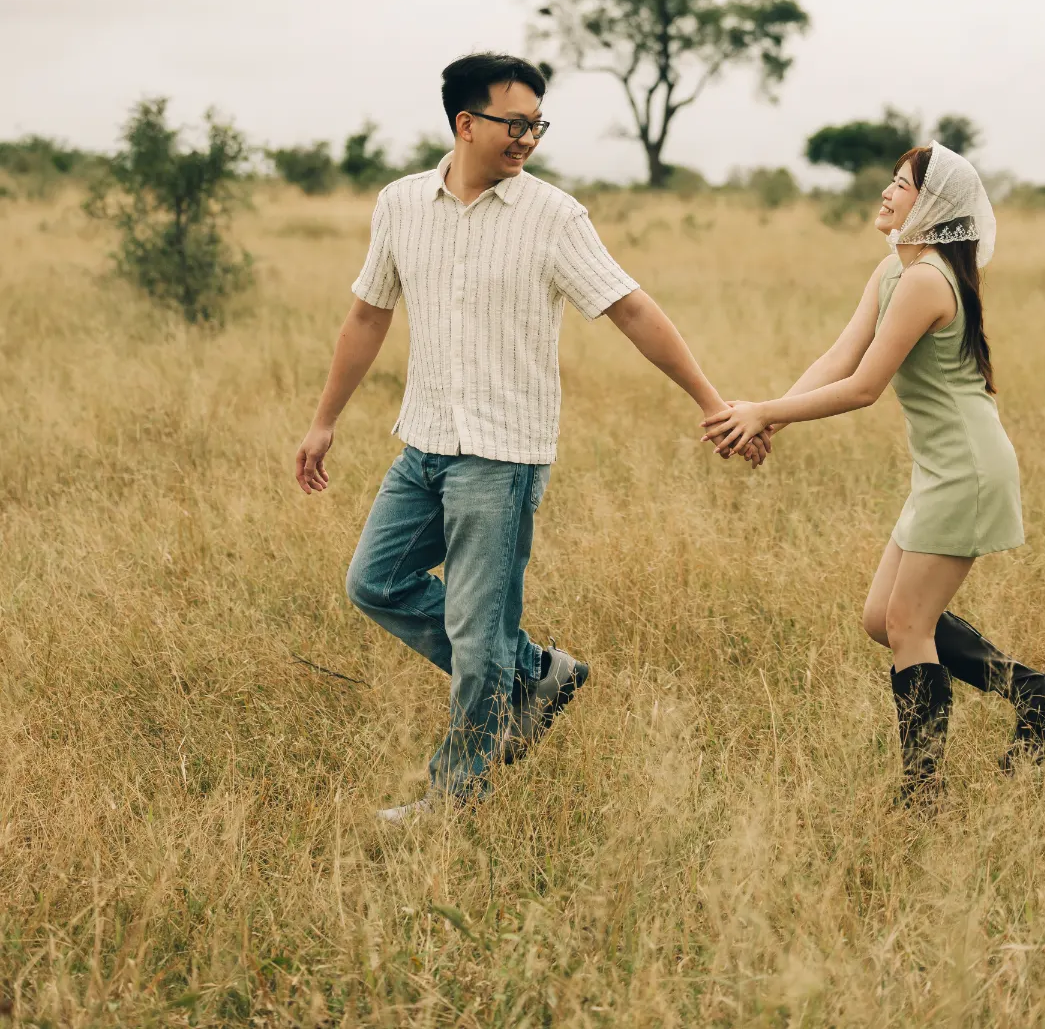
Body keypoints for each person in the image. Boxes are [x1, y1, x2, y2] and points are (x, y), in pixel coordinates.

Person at [295, 52, 765, 821]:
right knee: (374, 583)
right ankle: (539, 672)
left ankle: (456, 797)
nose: (528, 139)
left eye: (537, 125)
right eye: (515, 124)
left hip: (502, 458)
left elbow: (630, 308)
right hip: (425, 443)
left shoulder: (553, 216)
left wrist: (711, 402)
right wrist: (324, 421)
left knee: (476, 633)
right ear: (465, 122)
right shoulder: (401, 204)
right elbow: (368, 314)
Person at [701, 141, 1045, 803]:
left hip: (967, 470)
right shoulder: (894, 271)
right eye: (892, 180)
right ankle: (1040, 697)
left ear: (933, 205)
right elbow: (839, 359)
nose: (887, 192)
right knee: (883, 618)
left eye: (903, 185)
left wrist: (765, 410)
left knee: (909, 624)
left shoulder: (927, 280)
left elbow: (863, 388)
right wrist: (768, 422)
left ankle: (922, 792)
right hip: (943, 468)